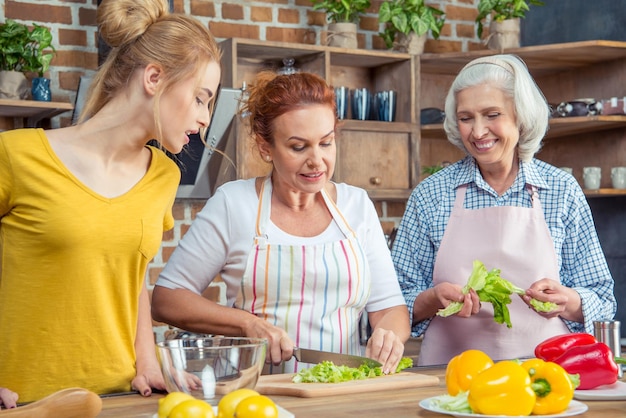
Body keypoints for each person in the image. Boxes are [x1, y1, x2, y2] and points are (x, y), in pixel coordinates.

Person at [0, 0, 222, 407]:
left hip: (122, 398)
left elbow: (131, 277)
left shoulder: (163, 176)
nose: (206, 117)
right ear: (154, 77)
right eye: (200, 98)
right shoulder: (15, 156)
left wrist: (148, 361)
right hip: (24, 402)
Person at [151, 71, 411, 375]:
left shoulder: (357, 207)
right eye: (299, 147)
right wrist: (248, 324)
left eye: (326, 143)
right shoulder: (235, 205)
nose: (317, 161)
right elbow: (166, 300)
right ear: (266, 147)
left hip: (342, 390)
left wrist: (389, 336)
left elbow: (390, 309)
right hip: (255, 391)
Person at [391, 54, 616, 366]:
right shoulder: (431, 195)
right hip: (448, 376)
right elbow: (392, 302)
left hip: (545, 375)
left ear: (520, 117)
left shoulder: (562, 191)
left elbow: (602, 300)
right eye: (466, 118)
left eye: (491, 114)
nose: (478, 131)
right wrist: (430, 300)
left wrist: (568, 301)